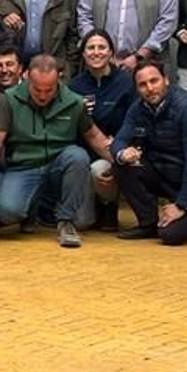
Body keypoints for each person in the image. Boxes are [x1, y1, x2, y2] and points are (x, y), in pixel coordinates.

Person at [0, 53, 113, 248]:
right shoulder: (10, 99)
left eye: (50, 90)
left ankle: (66, 222)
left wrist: (119, 159)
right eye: (37, 90)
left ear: (59, 80)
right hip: (23, 166)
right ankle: (29, 209)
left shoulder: (74, 102)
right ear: (28, 77)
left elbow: (94, 137)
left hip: (58, 166)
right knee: (8, 211)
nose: (43, 96)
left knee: (77, 155)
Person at [110, 58, 187, 246]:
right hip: (160, 173)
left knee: (170, 235)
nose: (149, 88)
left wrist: (181, 205)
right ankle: (148, 223)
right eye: (142, 85)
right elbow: (119, 141)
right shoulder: (138, 107)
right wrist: (122, 153)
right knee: (120, 165)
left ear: (166, 80)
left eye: (154, 81)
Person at [67, 30, 136, 230]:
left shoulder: (126, 83)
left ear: (111, 53)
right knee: (81, 223)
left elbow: (135, 119)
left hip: (113, 152)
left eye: (101, 47)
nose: (96, 52)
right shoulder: (74, 86)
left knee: (99, 170)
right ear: (83, 54)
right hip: (82, 153)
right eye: (90, 48)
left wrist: (120, 143)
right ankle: (89, 205)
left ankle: (108, 204)